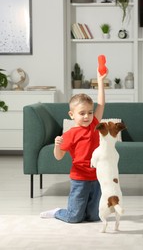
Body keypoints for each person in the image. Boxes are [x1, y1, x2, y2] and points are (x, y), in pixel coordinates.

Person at [40, 69, 107, 223]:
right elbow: (58, 157)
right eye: (82, 113)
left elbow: (101, 103)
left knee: (93, 217)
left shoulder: (94, 125)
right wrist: (57, 145)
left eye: (90, 113)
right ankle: (58, 212)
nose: (87, 116)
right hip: (80, 178)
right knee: (74, 217)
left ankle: (81, 210)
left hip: (96, 177)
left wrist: (100, 80)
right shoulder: (70, 134)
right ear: (72, 115)